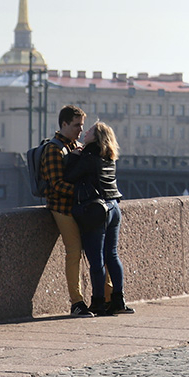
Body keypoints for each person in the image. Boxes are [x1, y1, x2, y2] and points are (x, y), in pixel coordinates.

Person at [63, 121, 134, 317]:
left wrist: (73, 157)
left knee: (96, 260)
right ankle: (118, 301)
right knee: (112, 256)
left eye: (90, 130)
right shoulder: (109, 156)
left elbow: (69, 176)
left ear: (97, 136)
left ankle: (98, 302)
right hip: (114, 208)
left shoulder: (88, 156)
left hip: (97, 211)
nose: (85, 132)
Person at [41, 104, 95, 317]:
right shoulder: (54, 149)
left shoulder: (75, 145)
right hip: (61, 208)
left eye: (82, 126)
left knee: (89, 251)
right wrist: (83, 193)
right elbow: (56, 185)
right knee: (73, 252)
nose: (80, 130)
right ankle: (77, 302)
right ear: (63, 124)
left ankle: (103, 298)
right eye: (76, 126)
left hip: (77, 206)